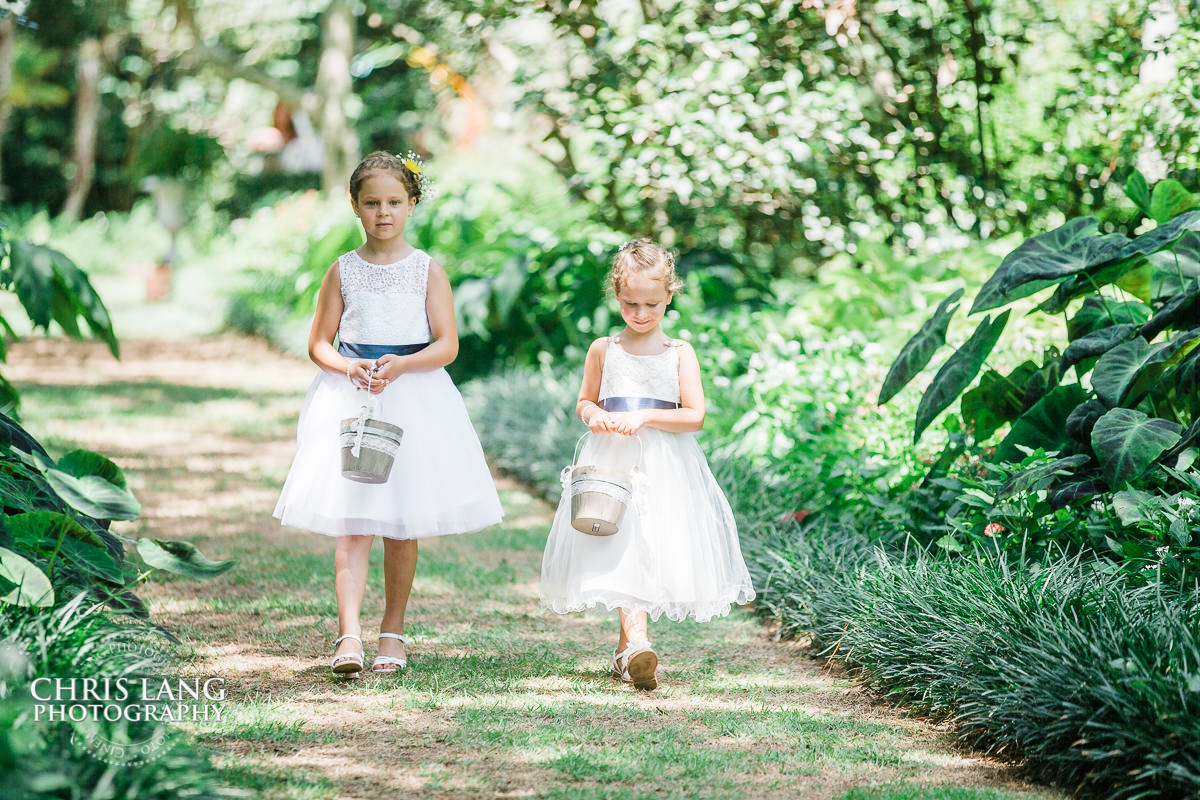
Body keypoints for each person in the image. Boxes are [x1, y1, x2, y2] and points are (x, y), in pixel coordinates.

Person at [274, 151, 502, 676]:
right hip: (353, 399)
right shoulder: (342, 271)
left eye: (394, 202)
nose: (383, 213)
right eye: (372, 202)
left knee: (402, 523)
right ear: (355, 206)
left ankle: (392, 632)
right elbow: (319, 344)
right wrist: (349, 369)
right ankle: (348, 635)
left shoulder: (427, 270)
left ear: (412, 204)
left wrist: (402, 366)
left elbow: (447, 345)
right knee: (353, 522)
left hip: (414, 398)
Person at [540, 239, 755, 690]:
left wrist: (646, 415)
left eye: (651, 304)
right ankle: (636, 642)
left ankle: (629, 650)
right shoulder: (604, 348)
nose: (641, 313)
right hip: (614, 460)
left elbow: (694, 416)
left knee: (649, 547)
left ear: (670, 296)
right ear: (616, 296)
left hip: (665, 465)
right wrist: (594, 414)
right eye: (631, 303)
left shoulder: (680, 353)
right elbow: (585, 399)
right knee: (621, 546)